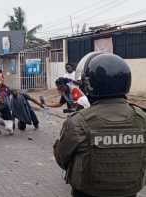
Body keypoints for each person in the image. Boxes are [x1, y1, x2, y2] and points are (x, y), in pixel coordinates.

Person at [54, 52, 146, 197]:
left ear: (89, 84)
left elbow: (62, 159)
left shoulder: (77, 121)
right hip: (128, 193)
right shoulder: (142, 119)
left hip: (87, 193)